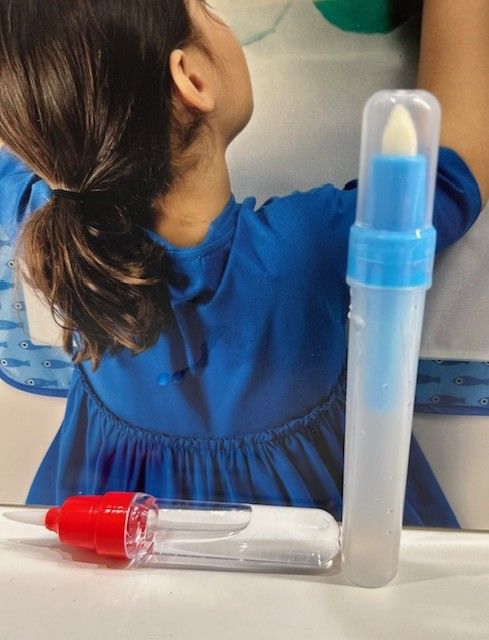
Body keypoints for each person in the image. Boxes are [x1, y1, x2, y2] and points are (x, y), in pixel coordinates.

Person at [0, 0, 487, 524]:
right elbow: (450, 178)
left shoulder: (50, 233)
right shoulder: (307, 247)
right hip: (316, 549)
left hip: (120, 547)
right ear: (191, 79)